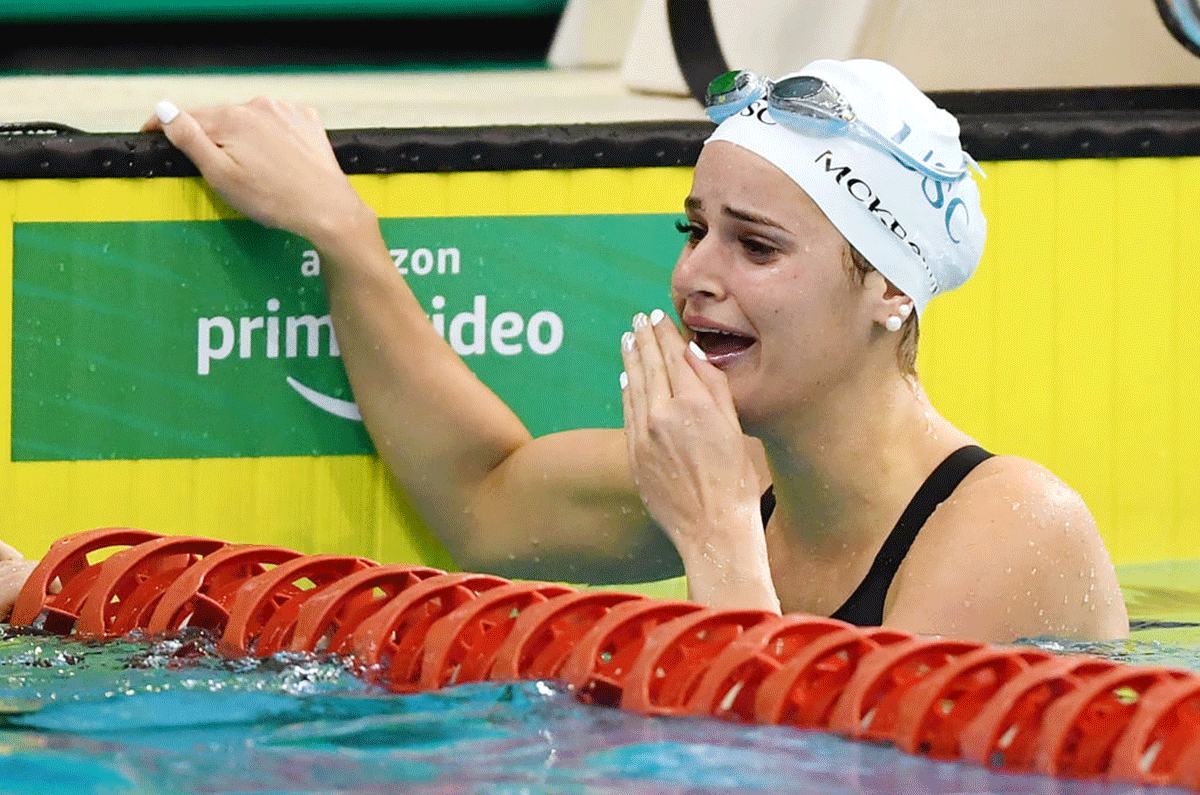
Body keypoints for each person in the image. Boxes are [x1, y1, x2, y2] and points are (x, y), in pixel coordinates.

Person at [2, 59, 1128, 644]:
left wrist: (719, 538)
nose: (697, 274)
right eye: (694, 230)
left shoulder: (1006, 528)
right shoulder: (753, 471)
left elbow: (791, 771)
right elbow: (488, 498)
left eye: (756, 245)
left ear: (886, 286)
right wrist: (340, 233)